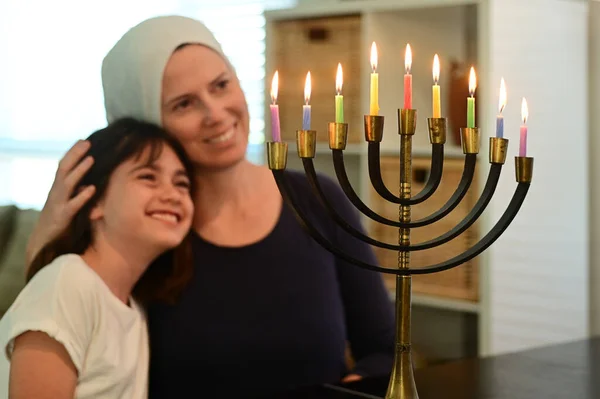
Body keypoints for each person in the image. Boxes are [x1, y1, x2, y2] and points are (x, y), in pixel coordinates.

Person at [25, 15, 395, 398]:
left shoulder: (318, 200)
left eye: (221, 85)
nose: (216, 113)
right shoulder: (142, 232)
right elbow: (67, 339)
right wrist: (48, 235)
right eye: (184, 104)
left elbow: (384, 351)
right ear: (145, 125)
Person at [2, 117, 195, 398]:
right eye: (148, 177)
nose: (173, 194)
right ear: (93, 203)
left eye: (182, 184)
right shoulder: (68, 283)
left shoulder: (134, 310)